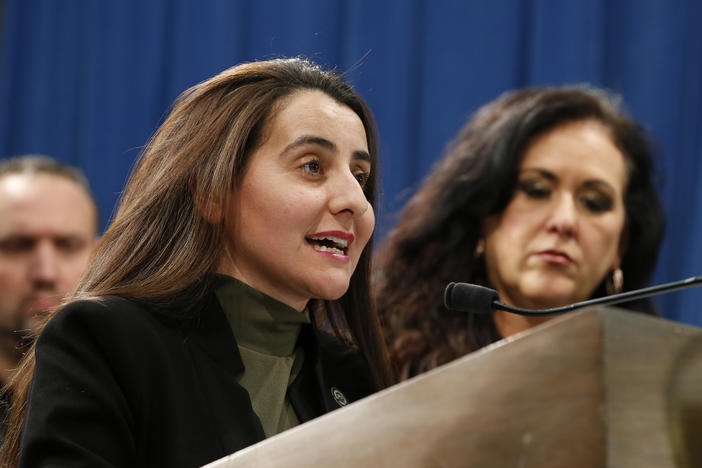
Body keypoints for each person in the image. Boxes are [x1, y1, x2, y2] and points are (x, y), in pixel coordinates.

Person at [0, 58, 393, 467]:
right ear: (211, 191)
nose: (356, 202)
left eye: (360, 175)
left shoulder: (353, 377)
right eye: (312, 166)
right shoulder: (108, 340)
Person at [376, 86, 664, 380]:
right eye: (537, 190)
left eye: (593, 202)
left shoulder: (658, 384)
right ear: (482, 210)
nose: (564, 221)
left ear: (621, 246)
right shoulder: (378, 357)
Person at [0, 155, 98, 432]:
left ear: (98, 255)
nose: (46, 273)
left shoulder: (131, 398)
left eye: (68, 245)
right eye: (18, 245)